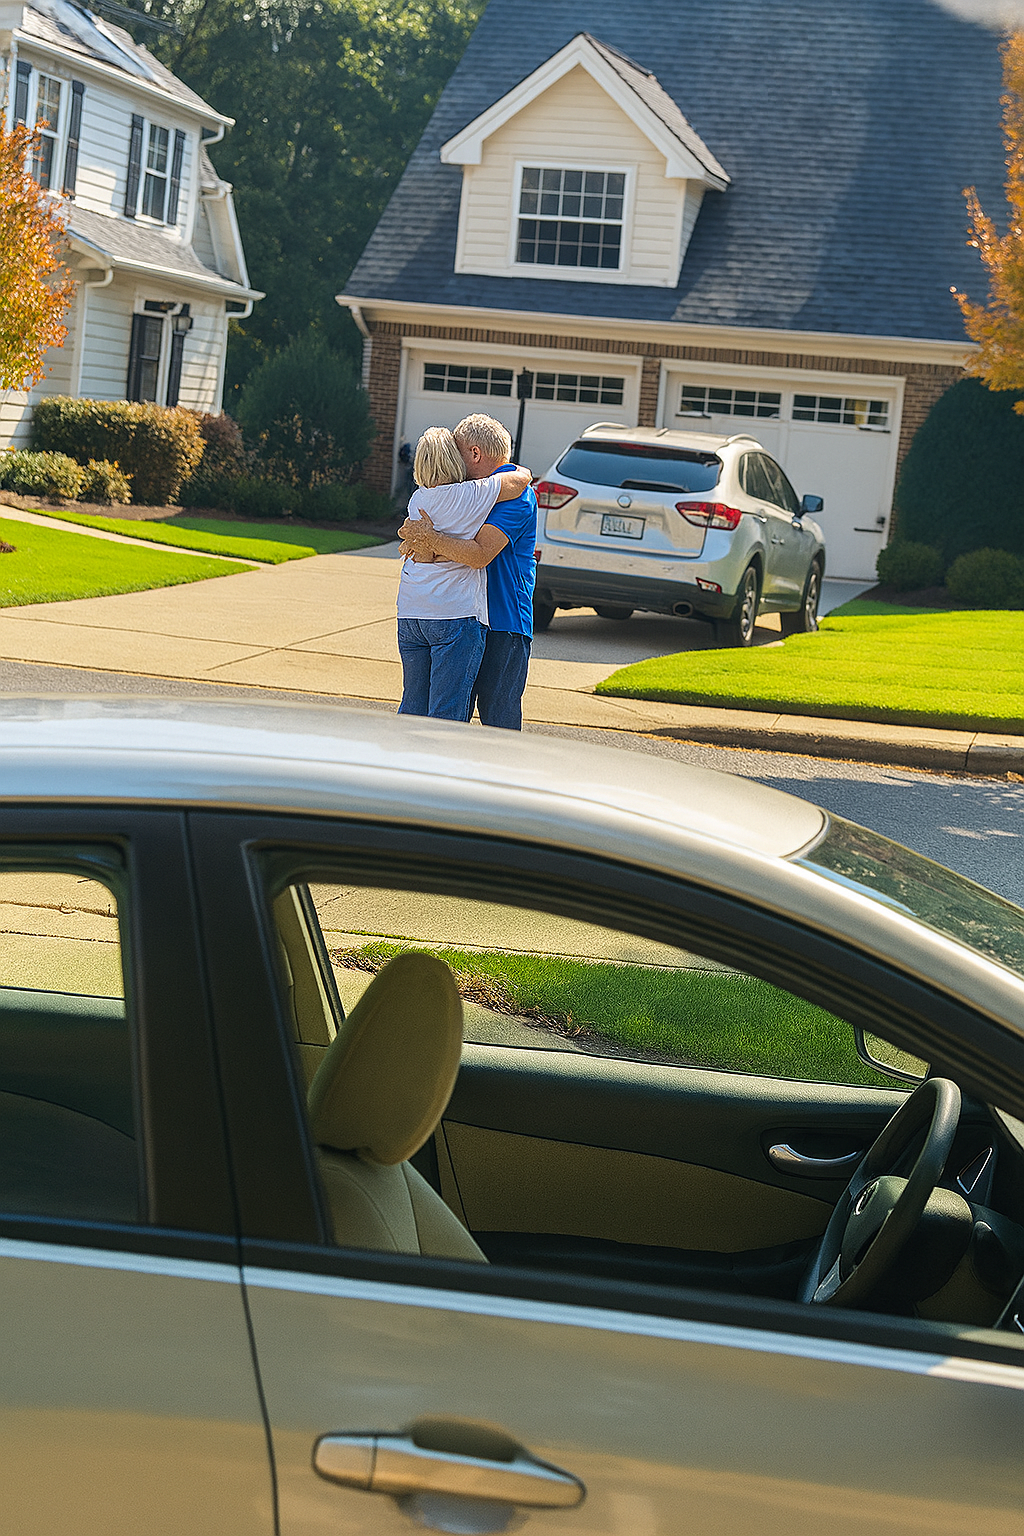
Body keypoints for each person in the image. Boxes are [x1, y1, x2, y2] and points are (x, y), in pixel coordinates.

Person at [399, 414, 539, 731]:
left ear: (474, 454)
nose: (454, 463)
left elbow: (479, 554)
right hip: (468, 617)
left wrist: (429, 540)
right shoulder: (470, 492)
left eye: (457, 453)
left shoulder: (517, 496)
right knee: (450, 717)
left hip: (504, 623)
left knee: (497, 723)